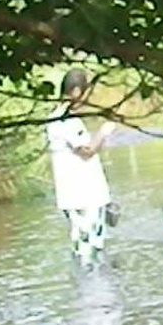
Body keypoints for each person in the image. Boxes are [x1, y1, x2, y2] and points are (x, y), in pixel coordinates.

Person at [45, 68, 117, 262]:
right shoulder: (66, 120)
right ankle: (94, 289)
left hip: (75, 195)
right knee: (90, 248)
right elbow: (86, 151)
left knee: (83, 245)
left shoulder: (55, 116)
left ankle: (87, 287)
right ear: (76, 91)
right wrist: (103, 132)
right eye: (85, 93)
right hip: (84, 196)